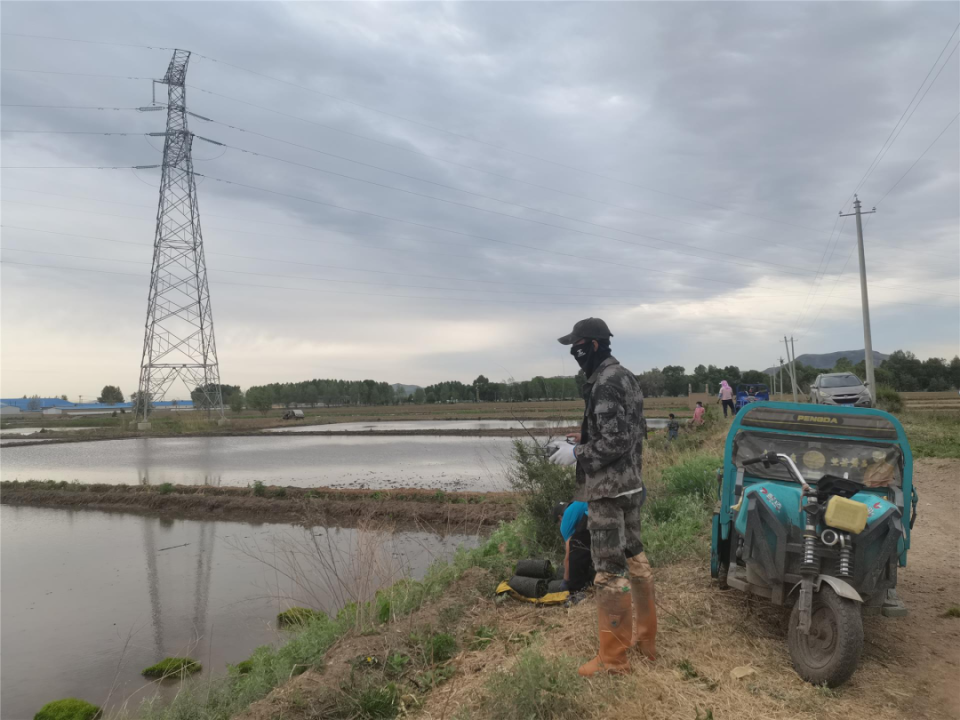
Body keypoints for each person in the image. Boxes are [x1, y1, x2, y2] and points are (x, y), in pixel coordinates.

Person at [555, 317, 657, 676]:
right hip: (630, 483)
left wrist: (578, 454)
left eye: (578, 344)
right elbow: (624, 431)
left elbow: (615, 440)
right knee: (635, 557)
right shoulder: (625, 376)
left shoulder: (606, 382)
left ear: (594, 345)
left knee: (609, 570)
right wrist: (583, 439)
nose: (573, 351)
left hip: (609, 491)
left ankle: (614, 660)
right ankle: (646, 641)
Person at [552, 501, 595, 591]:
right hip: (602, 514)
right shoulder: (578, 504)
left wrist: (566, 579)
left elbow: (569, 554)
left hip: (589, 518)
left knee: (575, 553)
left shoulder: (565, 523)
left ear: (560, 517)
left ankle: (577, 591)